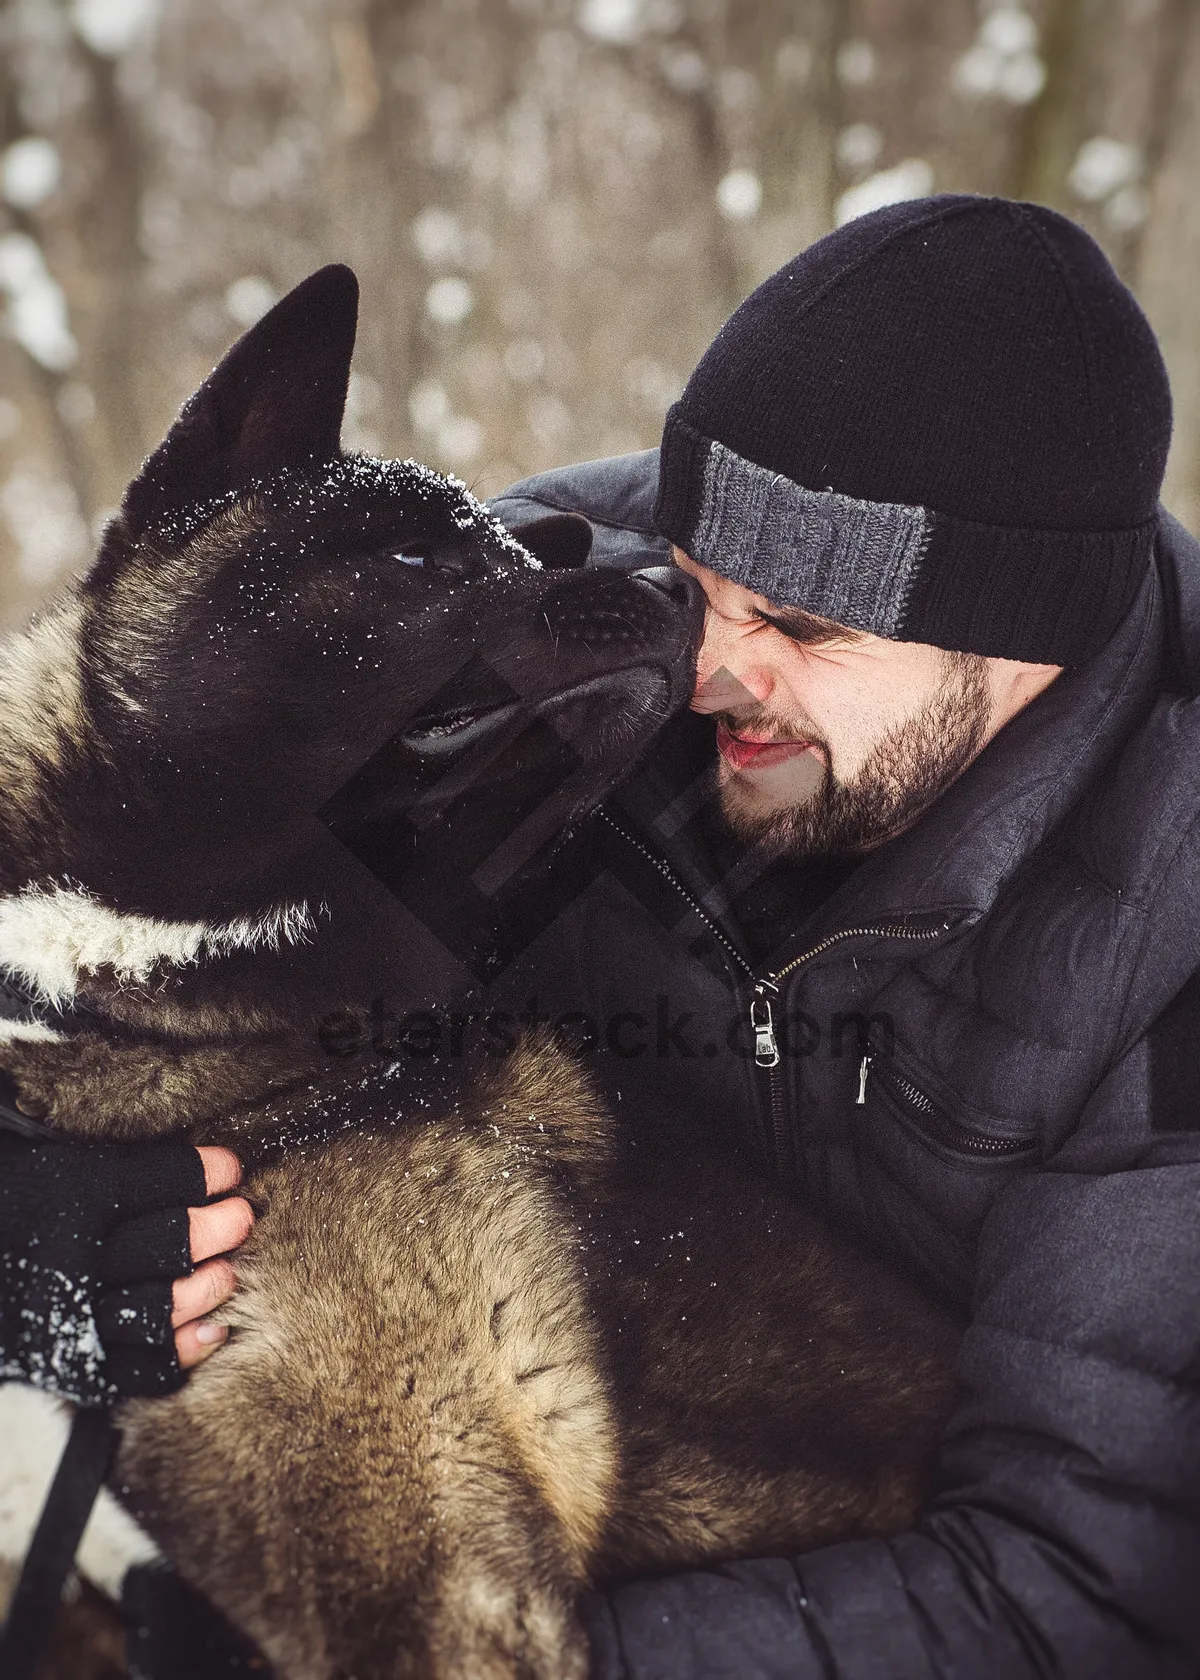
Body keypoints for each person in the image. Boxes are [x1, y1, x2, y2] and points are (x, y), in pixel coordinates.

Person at [3, 194, 1198, 1677]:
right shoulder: (574, 604)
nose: (707, 666)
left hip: (827, 1544)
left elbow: (1078, 1591)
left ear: (1023, 638)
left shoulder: (1172, 936)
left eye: (806, 629)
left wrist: (465, 1653)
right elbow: (127, 848)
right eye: (703, 585)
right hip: (463, 1377)